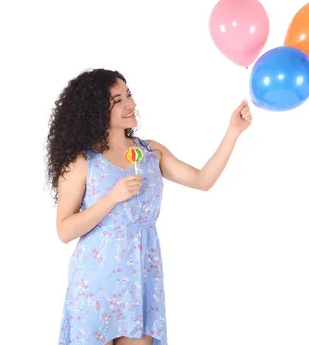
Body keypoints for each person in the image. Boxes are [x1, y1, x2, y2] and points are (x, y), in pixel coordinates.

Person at [45, 68, 252, 345]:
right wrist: (112, 197)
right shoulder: (82, 161)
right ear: (94, 110)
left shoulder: (151, 152)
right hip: (96, 283)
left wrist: (233, 131)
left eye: (128, 95)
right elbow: (64, 230)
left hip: (142, 278)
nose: (129, 104)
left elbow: (203, 180)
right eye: (117, 100)